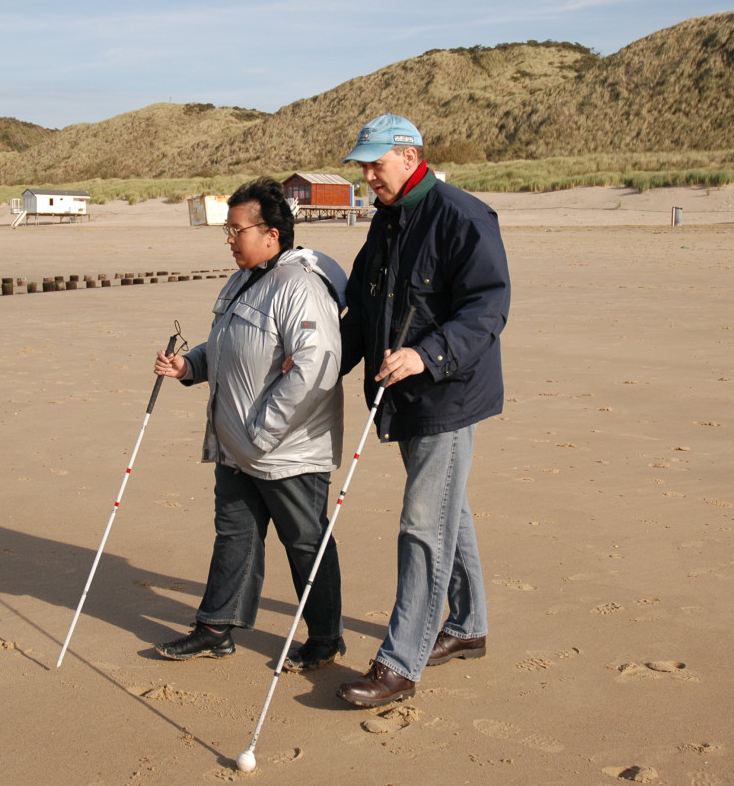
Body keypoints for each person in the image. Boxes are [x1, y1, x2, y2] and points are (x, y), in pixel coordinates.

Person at [334, 114, 511, 707]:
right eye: (363, 166)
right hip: (400, 396)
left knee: (421, 525)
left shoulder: (463, 217)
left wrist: (425, 354)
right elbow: (362, 310)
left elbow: (487, 309)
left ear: (409, 157)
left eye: (375, 164)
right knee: (446, 511)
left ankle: (400, 662)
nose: (367, 176)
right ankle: (469, 624)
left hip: (448, 393)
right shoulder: (383, 222)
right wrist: (321, 367)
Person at [153, 176, 349, 672]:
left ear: (271, 233)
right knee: (234, 534)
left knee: (305, 542)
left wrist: (261, 433)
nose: (229, 239)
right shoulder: (244, 279)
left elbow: (315, 368)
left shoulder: (301, 286)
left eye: (236, 230)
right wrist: (189, 366)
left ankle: (325, 638)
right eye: (228, 229)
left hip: (287, 451)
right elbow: (227, 345)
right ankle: (216, 628)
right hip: (236, 446)